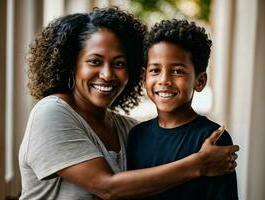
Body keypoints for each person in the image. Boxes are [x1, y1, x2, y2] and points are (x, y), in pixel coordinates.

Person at [19, 7, 239, 200]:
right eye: (95, 61)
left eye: (119, 63)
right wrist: (199, 164)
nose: (106, 74)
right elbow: (107, 188)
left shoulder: (130, 130)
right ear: (71, 65)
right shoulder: (51, 113)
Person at [127, 19, 238, 200]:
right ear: (143, 77)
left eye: (178, 71)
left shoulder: (212, 139)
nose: (164, 80)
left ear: (199, 81)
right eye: (155, 70)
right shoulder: (136, 136)